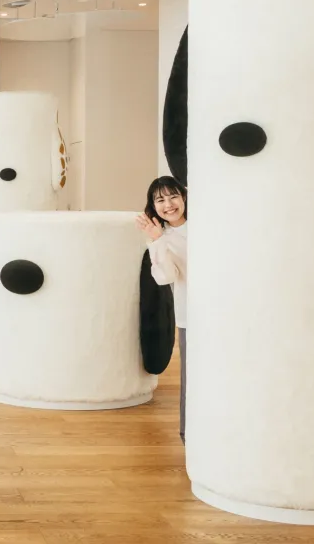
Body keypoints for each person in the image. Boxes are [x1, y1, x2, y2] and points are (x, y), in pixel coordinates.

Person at [135, 175, 188, 442]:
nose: (168, 204)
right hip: (191, 315)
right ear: (153, 206)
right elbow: (165, 277)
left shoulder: (207, 224)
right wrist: (157, 241)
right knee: (191, 377)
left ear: (184, 197)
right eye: (160, 200)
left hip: (224, 309)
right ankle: (188, 435)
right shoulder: (160, 238)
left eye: (173, 196)